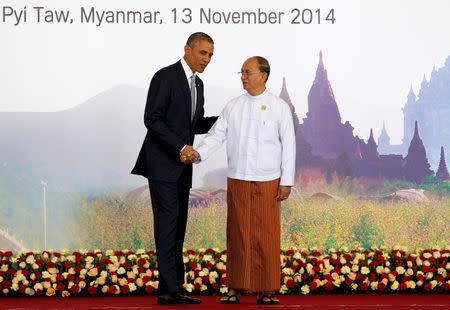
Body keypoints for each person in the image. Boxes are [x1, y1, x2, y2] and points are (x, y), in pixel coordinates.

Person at [191, 56, 296, 304]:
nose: (243, 76)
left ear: (263, 75)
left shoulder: (279, 106)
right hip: (238, 178)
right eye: (242, 72)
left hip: (269, 180)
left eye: (248, 72)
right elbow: (216, 136)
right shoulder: (233, 106)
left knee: (266, 234)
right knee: (237, 233)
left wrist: (287, 180)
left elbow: (289, 145)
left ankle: (268, 289)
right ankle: (235, 287)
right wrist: (198, 154)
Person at [131, 32, 218, 305]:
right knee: (167, 227)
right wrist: (181, 148)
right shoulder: (165, 76)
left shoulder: (199, 85)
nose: (207, 59)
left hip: (183, 170)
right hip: (163, 166)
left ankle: (175, 287)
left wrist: (228, 119)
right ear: (187, 50)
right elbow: (152, 119)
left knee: (177, 228)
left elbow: (196, 124)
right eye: (203, 53)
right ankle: (168, 291)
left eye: (211, 55)